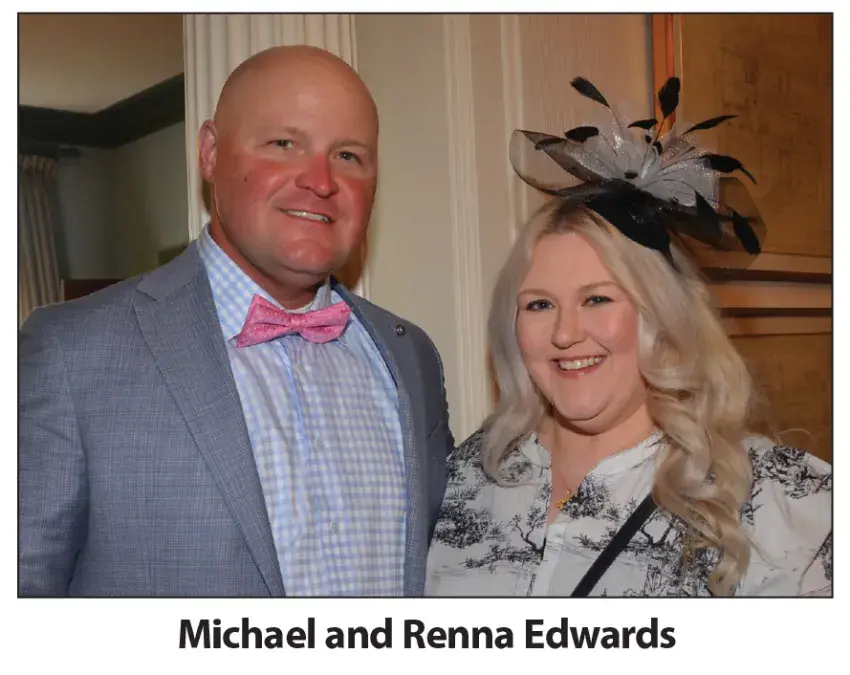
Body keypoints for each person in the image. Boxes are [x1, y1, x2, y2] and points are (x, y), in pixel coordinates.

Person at [19, 45, 453, 597]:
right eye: (283, 144)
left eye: (348, 155)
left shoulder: (409, 355)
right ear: (210, 153)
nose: (321, 180)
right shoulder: (71, 353)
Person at [426, 76, 832, 597]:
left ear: (661, 315)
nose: (565, 333)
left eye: (597, 299)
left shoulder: (781, 502)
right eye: (539, 305)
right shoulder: (467, 476)